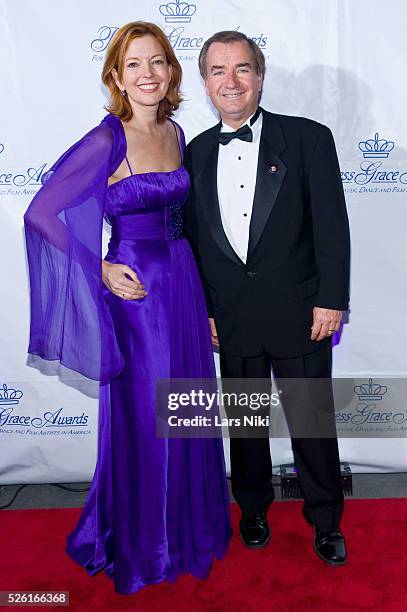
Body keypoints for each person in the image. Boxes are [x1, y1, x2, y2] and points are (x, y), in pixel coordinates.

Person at [23, 21, 231, 595]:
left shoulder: (176, 130)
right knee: (146, 417)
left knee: (186, 407)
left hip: (182, 285)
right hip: (136, 294)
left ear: (171, 72)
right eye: (134, 64)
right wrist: (101, 270)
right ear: (116, 76)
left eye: (157, 62)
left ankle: (186, 528)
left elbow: (183, 221)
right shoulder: (105, 140)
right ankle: (145, 542)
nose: (147, 74)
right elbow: (41, 214)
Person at [184, 31, 350, 565]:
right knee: (246, 425)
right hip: (230, 314)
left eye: (242, 69)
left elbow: (332, 227)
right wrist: (205, 307)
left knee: (311, 424)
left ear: (259, 75)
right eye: (217, 71)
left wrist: (332, 299)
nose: (230, 81)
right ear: (205, 82)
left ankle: (326, 520)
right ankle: (252, 508)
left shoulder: (308, 138)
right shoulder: (195, 152)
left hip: (301, 312)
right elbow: (193, 238)